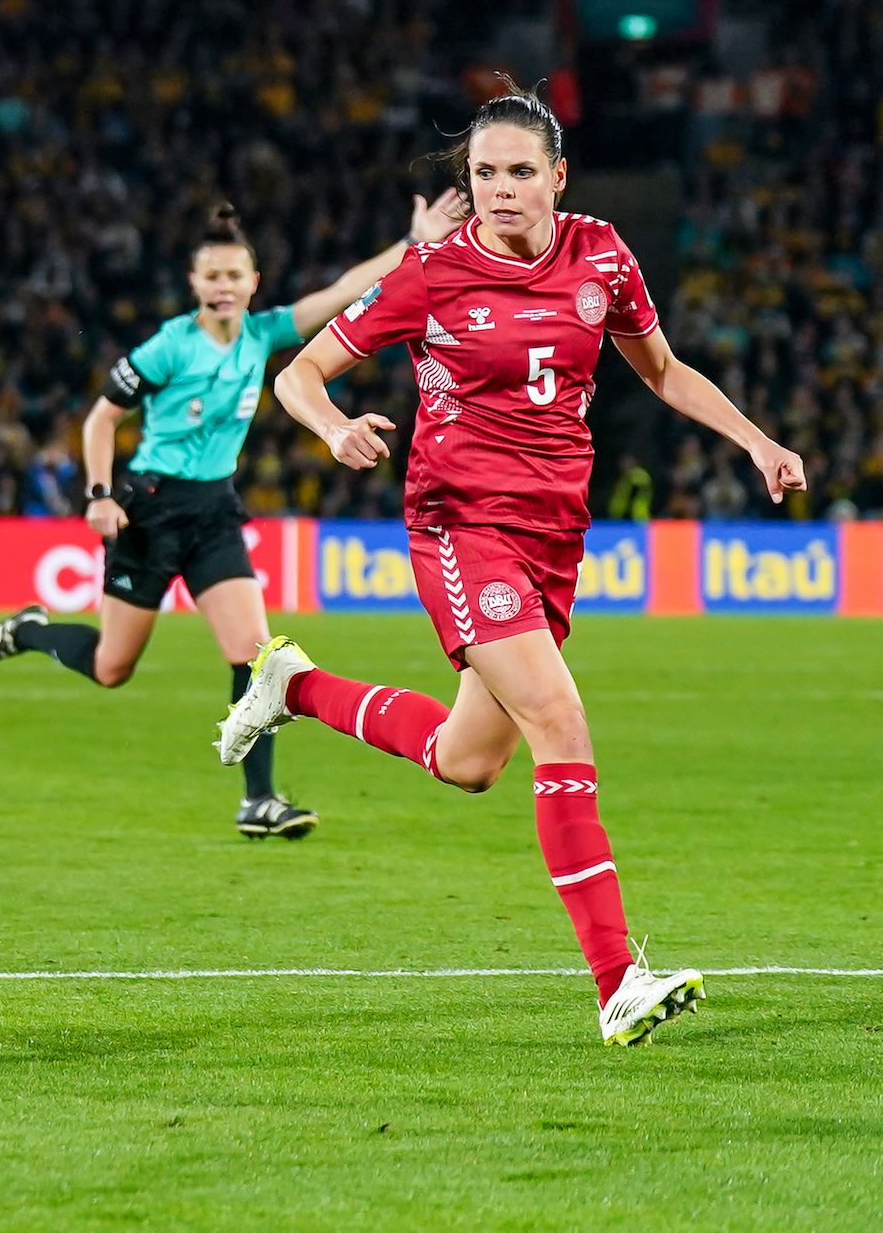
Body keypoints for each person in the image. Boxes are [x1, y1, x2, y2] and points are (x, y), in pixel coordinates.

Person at [220, 84, 807, 1045]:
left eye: (519, 171)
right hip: (458, 523)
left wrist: (756, 439)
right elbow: (297, 372)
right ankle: (618, 980)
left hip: (553, 534)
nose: (499, 189)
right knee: (558, 717)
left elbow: (660, 369)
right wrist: (331, 430)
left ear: (557, 178)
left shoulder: (603, 254)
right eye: (484, 173)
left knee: (468, 759)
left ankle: (293, 683)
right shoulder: (430, 272)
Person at [0, 193, 468, 840]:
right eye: (213, 275)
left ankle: (258, 800)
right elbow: (101, 417)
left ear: (253, 282)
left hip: (213, 511)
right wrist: (96, 494)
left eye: (236, 275)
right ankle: (28, 631)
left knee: (256, 657)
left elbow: (347, 288)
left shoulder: (264, 335)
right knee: (110, 667)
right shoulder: (168, 347)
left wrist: (412, 241)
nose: (225, 286)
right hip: (149, 511)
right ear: (195, 283)